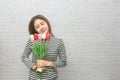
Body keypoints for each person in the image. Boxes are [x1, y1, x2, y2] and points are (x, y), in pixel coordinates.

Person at [21, 15, 67, 80]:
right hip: (34, 78)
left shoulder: (58, 42)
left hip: (52, 77)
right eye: (37, 27)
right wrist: (35, 67)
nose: (41, 28)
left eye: (42, 24)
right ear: (35, 30)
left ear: (47, 23)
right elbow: (24, 57)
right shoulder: (33, 40)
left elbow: (64, 62)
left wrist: (48, 63)